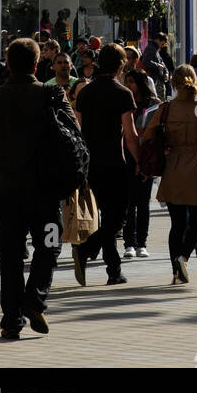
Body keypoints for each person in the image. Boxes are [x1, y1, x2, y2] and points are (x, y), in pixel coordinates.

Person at [0, 38, 75, 339]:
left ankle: (11, 320)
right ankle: (34, 299)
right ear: (38, 64)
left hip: (7, 193)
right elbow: (75, 139)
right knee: (51, 245)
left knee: (10, 255)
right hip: (46, 193)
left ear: (8, 64)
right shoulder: (53, 94)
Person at [73, 43, 139, 287]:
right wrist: (140, 161)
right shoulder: (123, 93)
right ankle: (89, 251)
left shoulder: (85, 93)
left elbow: (78, 129)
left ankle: (113, 268)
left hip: (90, 163)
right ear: (121, 64)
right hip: (114, 162)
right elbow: (130, 135)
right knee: (116, 218)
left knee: (104, 217)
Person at [142, 64, 197, 284]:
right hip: (196, 164)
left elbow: (148, 135)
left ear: (173, 83)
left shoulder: (166, 108)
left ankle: (175, 269)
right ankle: (184, 257)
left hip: (173, 164)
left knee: (177, 223)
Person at [123, 68, 161, 258]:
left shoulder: (154, 105)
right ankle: (129, 242)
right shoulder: (124, 102)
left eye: (132, 82)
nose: (129, 86)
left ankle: (142, 243)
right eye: (126, 82)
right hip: (127, 156)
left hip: (147, 158)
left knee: (143, 203)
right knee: (129, 202)